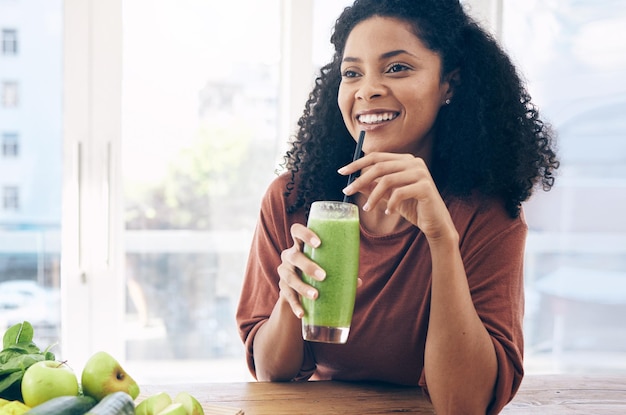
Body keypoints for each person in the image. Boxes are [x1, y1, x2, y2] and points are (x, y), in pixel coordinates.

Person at [236, 0, 559, 413]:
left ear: (450, 84)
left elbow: (465, 403)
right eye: (352, 72)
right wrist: (290, 297)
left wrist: (442, 239)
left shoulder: (487, 212)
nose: (367, 89)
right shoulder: (294, 199)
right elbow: (271, 374)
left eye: (397, 68)